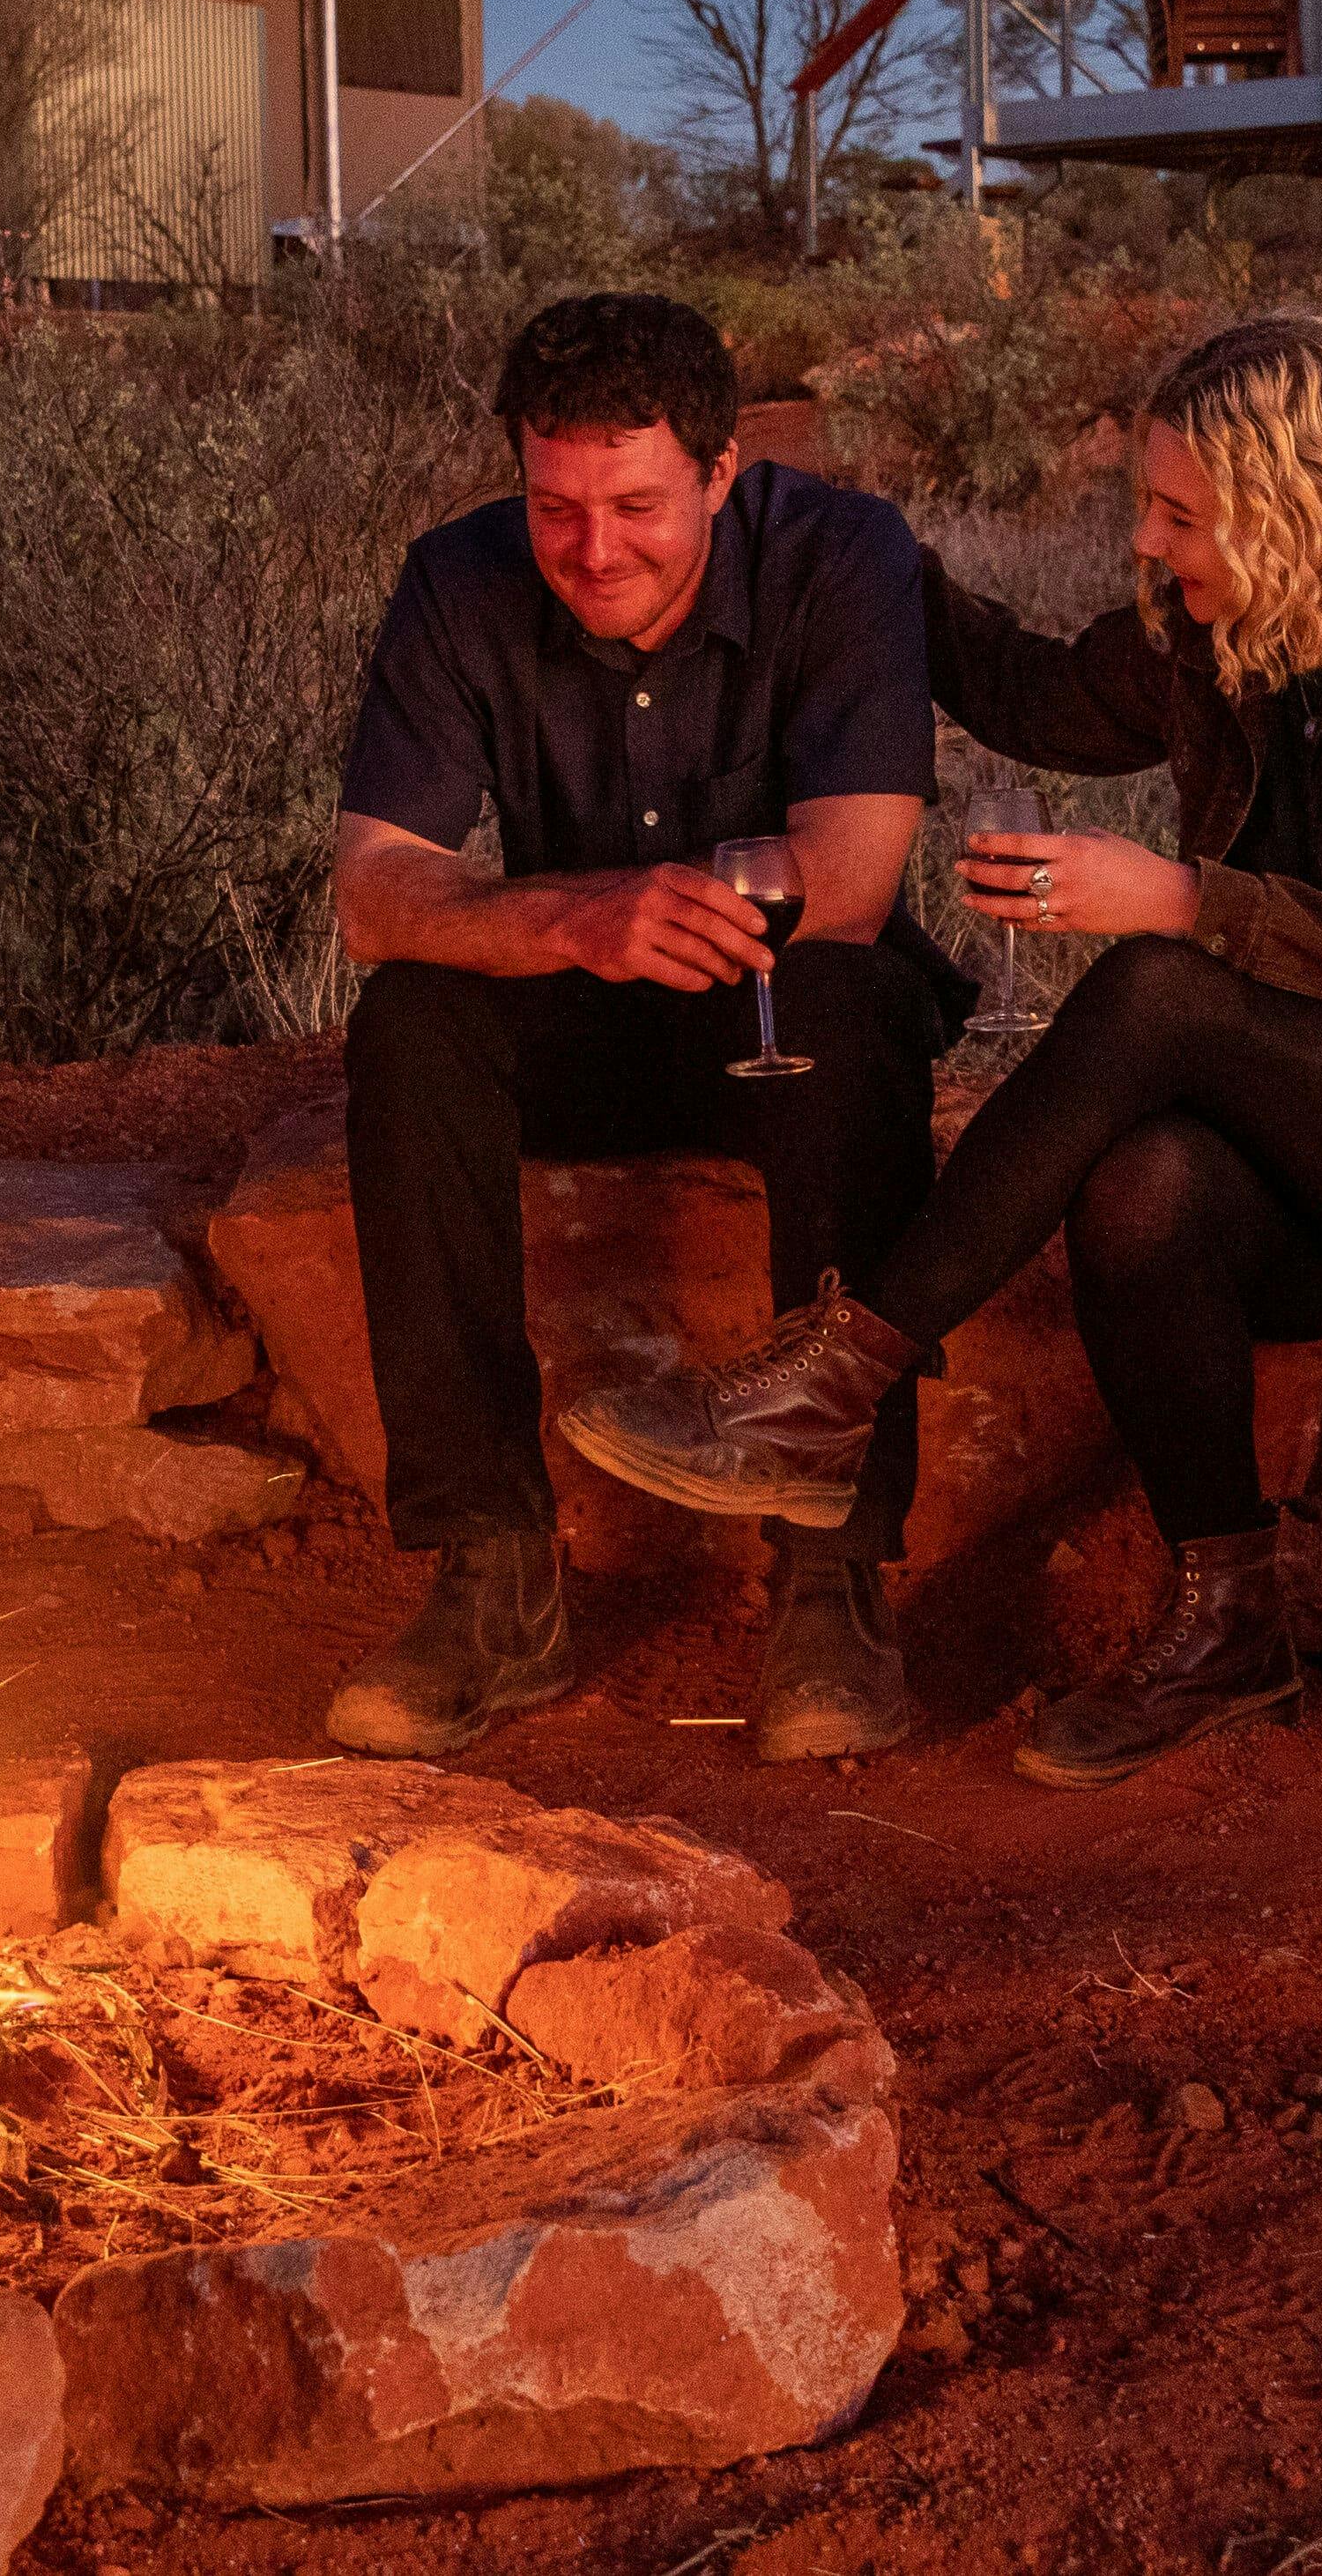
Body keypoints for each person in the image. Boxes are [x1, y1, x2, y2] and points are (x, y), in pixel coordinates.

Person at [559, 311, 1322, 1787]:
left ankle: (830, 1386)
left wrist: (1175, 895)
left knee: (1159, 983)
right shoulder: (1233, 632)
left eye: (1181, 513)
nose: (1146, 543)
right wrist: (849, 543)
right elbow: (1039, 694)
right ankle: (1230, 1620)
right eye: (1148, 506)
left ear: (1303, 504)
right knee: (1145, 1185)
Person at [319, 291, 954, 1764]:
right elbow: (376, 893)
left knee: (852, 1020)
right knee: (410, 1025)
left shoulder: (843, 554)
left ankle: (831, 1576)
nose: (594, 550)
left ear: (722, 472)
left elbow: (851, 883)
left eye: (637, 505)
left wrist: (683, 912)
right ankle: (493, 1568)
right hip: (577, 1003)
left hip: (783, 1004)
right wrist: (575, 919)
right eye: (555, 508)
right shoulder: (455, 581)